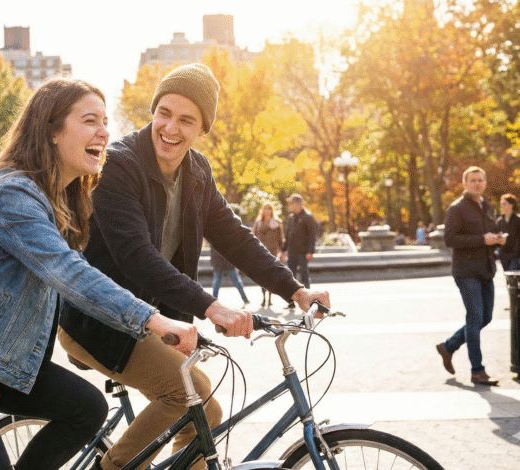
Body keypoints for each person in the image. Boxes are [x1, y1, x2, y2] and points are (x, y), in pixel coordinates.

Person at [0, 77, 197, 470]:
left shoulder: (59, 202)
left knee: (86, 408)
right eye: (90, 120)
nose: (104, 132)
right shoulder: (12, 194)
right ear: (52, 131)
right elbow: (68, 273)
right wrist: (152, 320)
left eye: (106, 121)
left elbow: (94, 271)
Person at [58, 63, 330, 470]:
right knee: (188, 397)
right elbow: (136, 256)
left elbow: (235, 238)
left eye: (186, 120)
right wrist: (212, 307)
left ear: (202, 128)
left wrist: (296, 290)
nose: (170, 127)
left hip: (153, 322)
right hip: (101, 321)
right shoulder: (118, 166)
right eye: (164, 113)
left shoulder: (197, 171)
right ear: (153, 111)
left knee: (205, 415)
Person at [436, 166, 503, 386]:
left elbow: (487, 234)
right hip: (466, 272)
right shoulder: (457, 208)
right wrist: (482, 239)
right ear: (465, 184)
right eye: (472, 180)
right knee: (475, 318)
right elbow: (449, 239)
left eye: (480, 180)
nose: (477, 183)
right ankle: (477, 370)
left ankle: (448, 346)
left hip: (486, 270)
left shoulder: (488, 206)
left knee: (485, 318)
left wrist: (497, 239)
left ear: (485, 182)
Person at [280, 193, 319, 309]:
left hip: (303, 252)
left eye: (291, 203)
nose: (289, 205)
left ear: (297, 203)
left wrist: (311, 251)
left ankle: (309, 301)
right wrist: (284, 250)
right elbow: (288, 235)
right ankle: (291, 302)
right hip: (292, 252)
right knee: (290, 277)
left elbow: (312, 235)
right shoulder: (292, 217)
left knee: (304, 276)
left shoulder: (308, 216)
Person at [253, 203, 284, 307]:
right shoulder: (258, 223)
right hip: (261, 251)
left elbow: (280, 238)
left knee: (270, 276)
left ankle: (270, 298)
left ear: (272, 210)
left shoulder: (277, 223)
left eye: (269, 208)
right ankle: (263, 297)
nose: (267, 210)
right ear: (262, 210)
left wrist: (283, 251)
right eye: (265, 208)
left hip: (272, 251)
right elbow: (253, 237)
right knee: (262, 276)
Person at [496, 193, 520, 271]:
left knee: (513, 278)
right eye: (501, 204)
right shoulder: (500, 221)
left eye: (504, 204)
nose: (502, 206)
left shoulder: (518, 219)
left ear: (511, 205)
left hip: (516, 256)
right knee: (508, 279)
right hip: (503, 255)